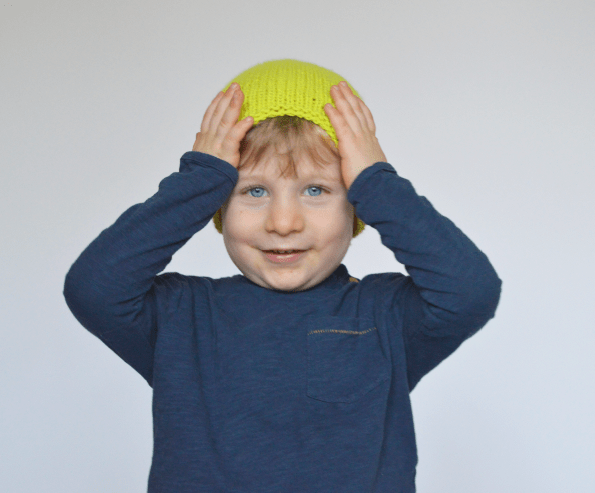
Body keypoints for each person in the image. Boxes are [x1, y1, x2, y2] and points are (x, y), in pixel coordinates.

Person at [63, 59, 502, 492]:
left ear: (356, 204)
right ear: (218, 202)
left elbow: (471, 291)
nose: (284, 222)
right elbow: (93, 288)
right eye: (254, 191)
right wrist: (200, 180)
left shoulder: (385, 315)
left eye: (316, 189)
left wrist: (376, 182)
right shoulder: (181, 316)